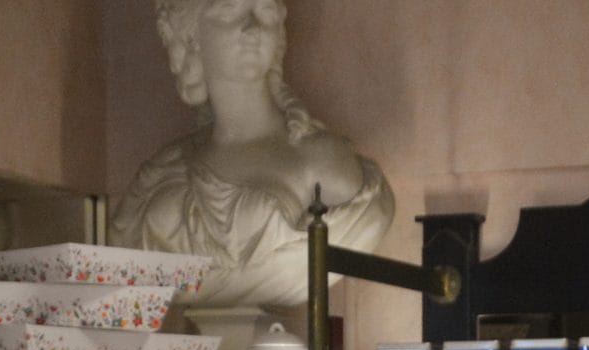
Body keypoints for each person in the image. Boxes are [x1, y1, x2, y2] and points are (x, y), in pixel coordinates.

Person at [108, 0, 394, 313]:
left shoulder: (322, 161)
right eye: (231, 9)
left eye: (265, 11)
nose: (252, 27)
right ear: (190, 35)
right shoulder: (160, 175)